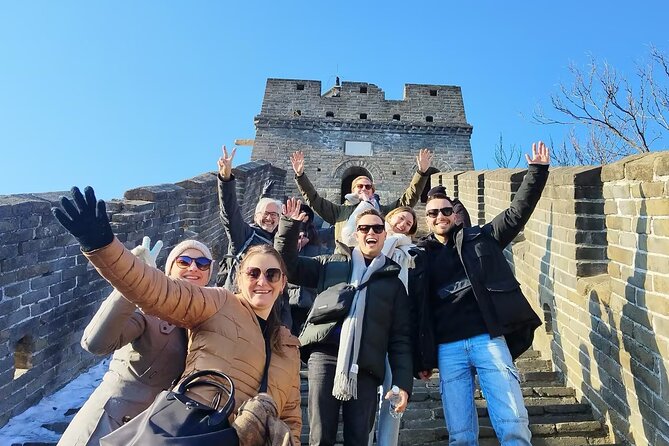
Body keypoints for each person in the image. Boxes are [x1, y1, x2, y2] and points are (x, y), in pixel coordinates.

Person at [51, 187, 302, 445]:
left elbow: (292, 417)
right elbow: (153, 290)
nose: (262, 281)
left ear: (283, 283)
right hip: (159, 427)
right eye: (253, 273)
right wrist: (105, 246)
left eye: (272, 274)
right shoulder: (220, 303)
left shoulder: (288, 345)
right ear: (238, 279)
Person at [411, 141, 550, 445]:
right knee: (460, 433)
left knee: (512, 419)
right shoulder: (419, 256)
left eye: (446, 210)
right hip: (448, 348)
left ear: (455, 214)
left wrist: (537, 172)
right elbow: (414, 308)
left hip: (487, 338)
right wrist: (419, 356)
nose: (440, 216)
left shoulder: (480, 238)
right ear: (426, 219)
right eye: (433, 213)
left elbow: (516, 214)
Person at [275, 200, 414, 446]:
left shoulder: (393, 282)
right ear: (355, 234)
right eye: (364, 228)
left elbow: (400, 337)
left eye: (377, 229)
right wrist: (289, 226)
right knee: (320, 436)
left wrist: (402, 383)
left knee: (359, 438)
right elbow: (288, 266)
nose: (371, 233)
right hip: (325, 355)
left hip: (367, 365)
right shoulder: (331, 264)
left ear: (385, 235)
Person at [57, 237, 210, 446]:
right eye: (184, 261)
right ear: (170, 269)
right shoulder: (148, 310)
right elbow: (95, 343)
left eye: (202, 264)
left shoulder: (205, 320)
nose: (193, 267)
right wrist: (134, 284)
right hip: (109, 425)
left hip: (152, 433)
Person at [289, 149, 435, 245]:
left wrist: (421, 173)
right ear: (353, 190)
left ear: (373, 191)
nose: (364, 188)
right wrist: (300, 176)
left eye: (368, 186)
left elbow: (409, 199)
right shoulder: (339, 211)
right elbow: (314, 199)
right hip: (346, 260)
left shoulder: (383, 211)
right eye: (360, 186)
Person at [217, 145, 293, 328]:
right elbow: (230, 212)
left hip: (273, 315)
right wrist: (226, 180)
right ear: (256, 216)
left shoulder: (279, 243)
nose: (270, 217)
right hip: (240, 308)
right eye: (266, 213)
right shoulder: (244, 235)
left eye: (275, 215)